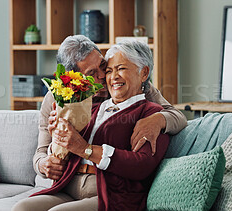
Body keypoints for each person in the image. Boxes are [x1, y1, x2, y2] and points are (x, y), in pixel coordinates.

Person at [13, 40, 171, 211]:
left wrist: (160, 118)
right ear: (75, 79)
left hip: (110, 191)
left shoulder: (149, 112)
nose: (107, 77)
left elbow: (142, 165)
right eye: (109, 70)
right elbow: (58, 147)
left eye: (118, 68)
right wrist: (57, 135)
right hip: (68, 185)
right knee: (22, 208)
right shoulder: (87, 105)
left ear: (143, 73)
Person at [33, 35, 187, 184]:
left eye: (102, 65)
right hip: (71, 178)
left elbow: (177, 116)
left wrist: (157, 120)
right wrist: (42, 164)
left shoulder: (125, 85)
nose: (103, 76)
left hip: (107, 180)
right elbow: (41, 151)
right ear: (72, 77)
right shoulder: (55, 99)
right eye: (91, 73)